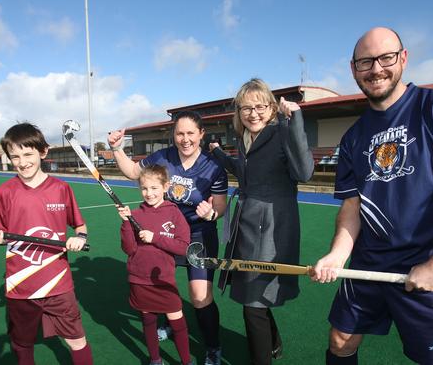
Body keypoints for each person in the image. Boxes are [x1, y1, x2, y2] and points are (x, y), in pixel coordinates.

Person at [310, 27, 433, 365]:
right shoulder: (354, 137)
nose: (376, 69)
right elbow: (353, 206)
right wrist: (338, 255)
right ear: (354, 69)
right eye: (366, 62)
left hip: (429, 267)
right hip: (369, 265)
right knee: (340, 341)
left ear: (404, 59)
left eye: (386, 58)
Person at [108, 111, 228, 365]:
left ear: (201, 135)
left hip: (199, 234)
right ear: (174, 135)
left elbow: (220, 207)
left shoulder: (214, 166)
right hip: (164, 230)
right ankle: (171, 323)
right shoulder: (163, 156)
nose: (185, 139)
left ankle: (213, 347)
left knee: (199, 296)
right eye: (180, 134)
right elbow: (133, 172)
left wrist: (211, 214)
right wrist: (117, 148)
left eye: (190, 134)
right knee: (161, 280)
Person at [209, 78, 314, 365]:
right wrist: (218, 152)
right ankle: (274, 342)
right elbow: (243, 173)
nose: (253, 113)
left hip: (272, 228)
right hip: (245, 226)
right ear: (238, 112)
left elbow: (304, 172)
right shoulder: (245, 139)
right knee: (253, 294)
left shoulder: (281, 131)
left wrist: (295, 119)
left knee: (252, 304)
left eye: (260, 106)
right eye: (246, 108)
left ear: (271, 108)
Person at [0, 123, 93, 365]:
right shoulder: (3, 192)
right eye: (15, 156)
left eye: (27, 154)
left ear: (43, 152)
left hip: (58, 283)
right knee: (22, 344)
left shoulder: (61, 189)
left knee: (76, 340)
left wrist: (80, 238)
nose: (22, 162)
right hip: (20, 284)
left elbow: (80, 227)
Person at [117, 165, 194, 365]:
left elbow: (184, 247)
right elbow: (129, 249)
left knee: (178, 322)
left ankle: (185, 361)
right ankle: (155, 359)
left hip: (163, 280)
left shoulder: (174, 214)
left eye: (154, 188)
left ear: (165, 187)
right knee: (148, 322)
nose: (149, 193)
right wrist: (126, 223)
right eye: (144, 188)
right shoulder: (135, 214)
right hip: (139, 279)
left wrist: (155, 238)